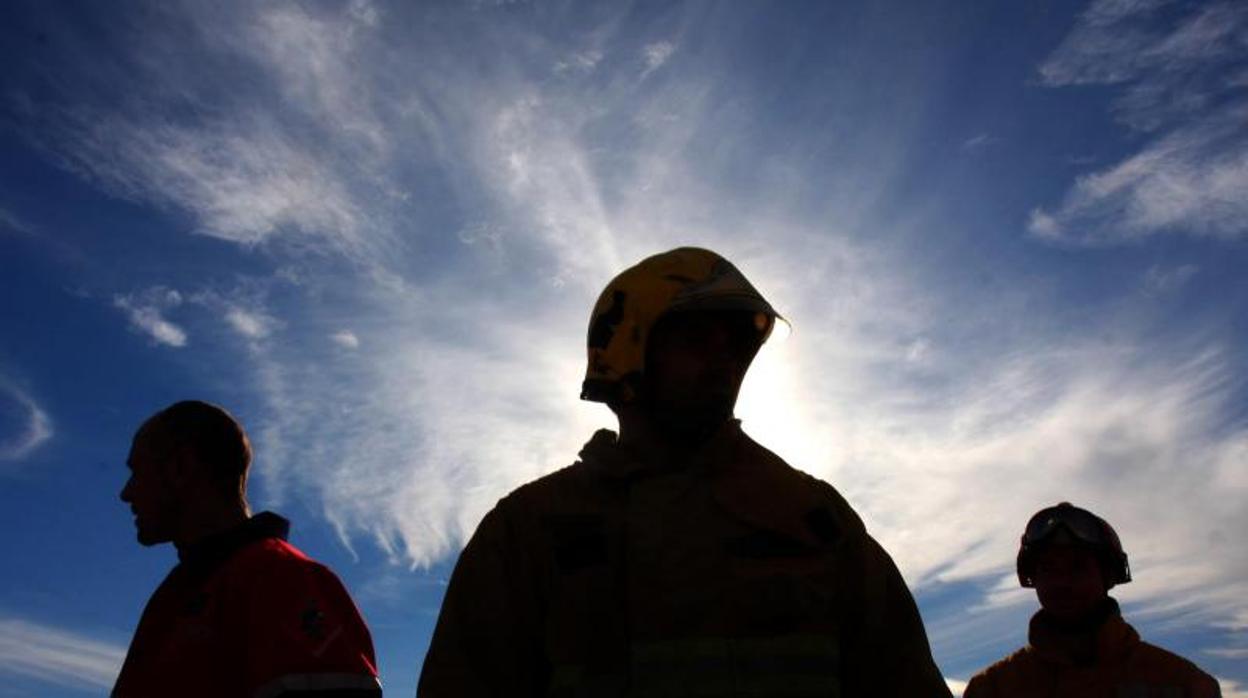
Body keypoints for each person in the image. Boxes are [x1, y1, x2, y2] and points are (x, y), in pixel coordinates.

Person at [418, 247, 950, 697]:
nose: (725, 362)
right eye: (697, 339)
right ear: (625, 354)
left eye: (737, 346)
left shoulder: (813, 516)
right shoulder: (529, 528)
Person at [113, 400, 382, 698]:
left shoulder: (282, 579)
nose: (126, 493)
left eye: (137, 471)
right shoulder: (178, 594)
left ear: (181, 467)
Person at [963, 502, 1221, 698]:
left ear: (1108, 576)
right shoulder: (991, 689)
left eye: (1077, 567)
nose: (1061, 582)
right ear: (1032, 579)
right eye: (1047, 568)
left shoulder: (1185, 685)